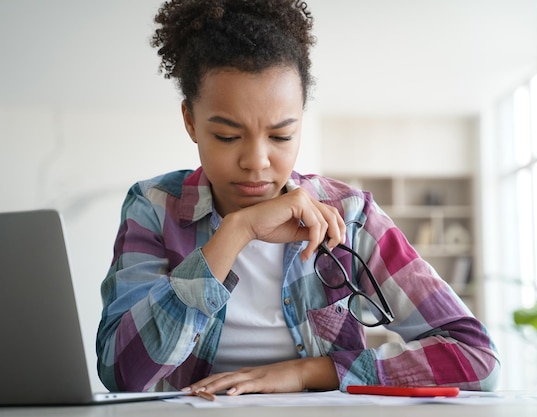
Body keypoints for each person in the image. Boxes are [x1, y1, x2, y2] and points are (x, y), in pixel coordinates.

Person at [96, 0, 500, 396]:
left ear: (301, 121)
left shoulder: (351, 216)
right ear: (190, 121)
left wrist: (308, 373)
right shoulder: (153, 207)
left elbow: (476, 357)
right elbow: (123, 373)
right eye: (227, 136)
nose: (256, 162)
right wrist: (237, 231)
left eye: (280, 136)